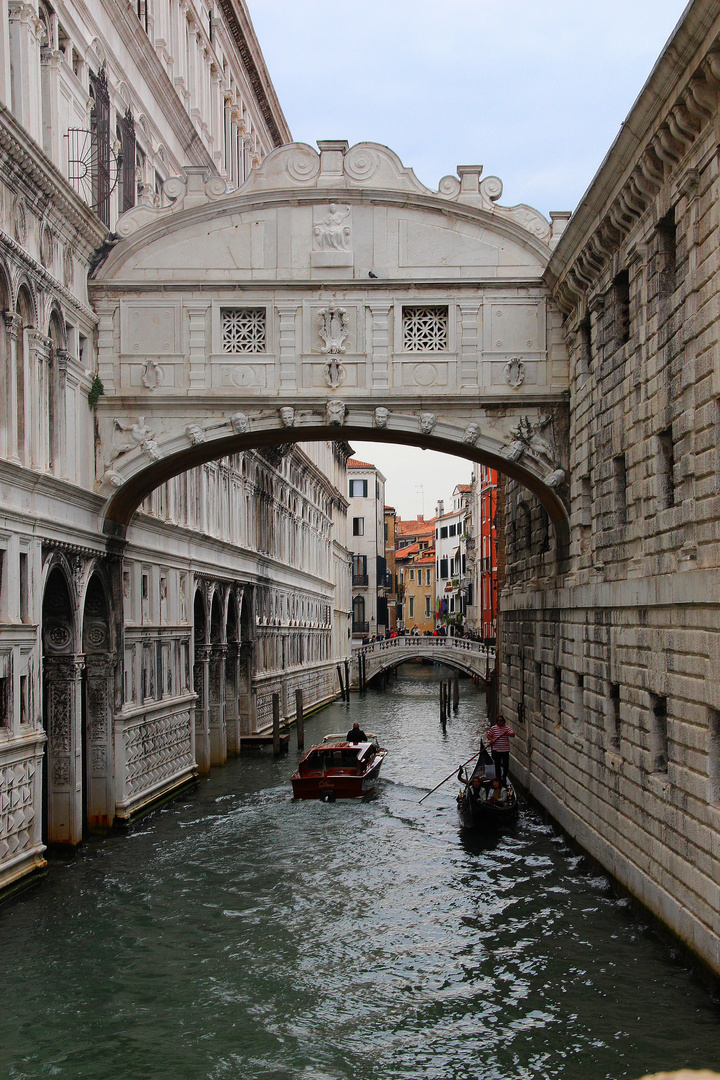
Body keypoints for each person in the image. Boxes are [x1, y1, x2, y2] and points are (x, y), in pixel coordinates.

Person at [485, 714, 515, 786]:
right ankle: (498, 778)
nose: (500, 722)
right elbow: (488, 735)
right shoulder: (493, 728)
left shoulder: (507, 728)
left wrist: (507, 734)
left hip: (505, 750)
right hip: (496, 750)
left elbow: (513, 734)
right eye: (498, 720)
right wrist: (492, 740)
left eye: (501, 721)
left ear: (503, 721)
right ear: (497, 721)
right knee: (497, 765)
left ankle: (504, 777)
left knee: (506, 765)